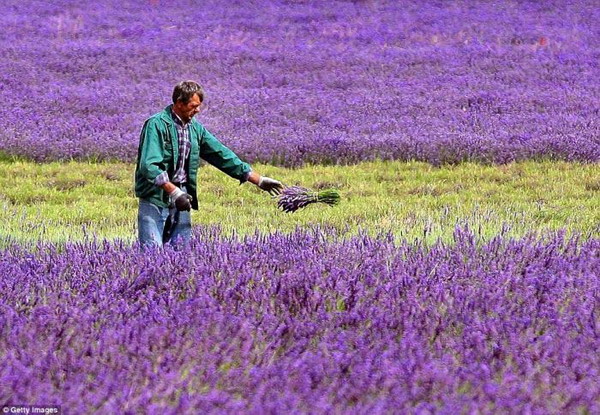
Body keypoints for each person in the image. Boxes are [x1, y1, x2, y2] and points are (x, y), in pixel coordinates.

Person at [134, 80, 283, 247]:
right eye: (193, 105)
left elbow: (221, 154)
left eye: (199, 106)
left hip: (182, 194)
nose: (198, 110)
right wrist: (174, 192)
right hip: (155, 196)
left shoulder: (195, 129)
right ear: (179, 103)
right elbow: (149, 166)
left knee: (181, 252)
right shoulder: (156, 125)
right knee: (151, 250)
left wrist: (258, 179)